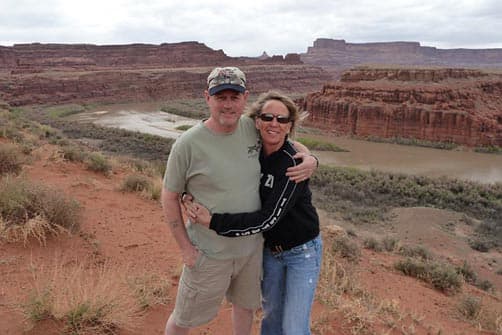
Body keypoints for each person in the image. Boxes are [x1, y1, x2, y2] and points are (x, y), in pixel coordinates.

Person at [162, 67, 318, 335]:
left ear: (245, 98)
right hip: (210, 253)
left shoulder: (251, 126)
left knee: (245, 308)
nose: (228, 105)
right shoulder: (187, 144)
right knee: (184, 318)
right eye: (220, 97)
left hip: (252, 251)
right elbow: (169, 195)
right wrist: (185, 248)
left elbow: (285, 139)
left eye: (234, 97)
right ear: (207, 98)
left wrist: (312, 159)